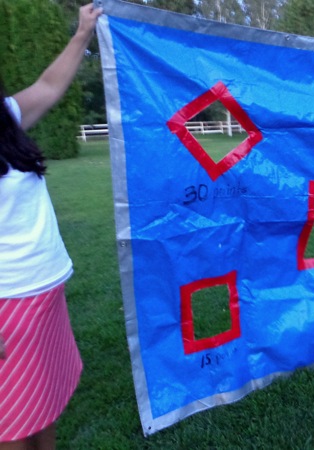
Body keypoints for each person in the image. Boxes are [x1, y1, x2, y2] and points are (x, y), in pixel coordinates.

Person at [0, 4, 102, 449]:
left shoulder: (5, 116)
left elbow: (47, 85)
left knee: (43, 410)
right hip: (8, 305)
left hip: (42, 290)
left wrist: (83, 33)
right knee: (11, 424)